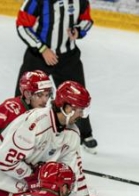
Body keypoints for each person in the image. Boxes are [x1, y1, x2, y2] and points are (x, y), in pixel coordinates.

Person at [14, 0, 98, 153]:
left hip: (68, 57)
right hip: (39, 56)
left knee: (79, 97)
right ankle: (16, 130)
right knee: (26, 95)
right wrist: (42, 48)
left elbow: (87, 20)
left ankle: (84, 133)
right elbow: (22, 25)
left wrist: (79, 30)